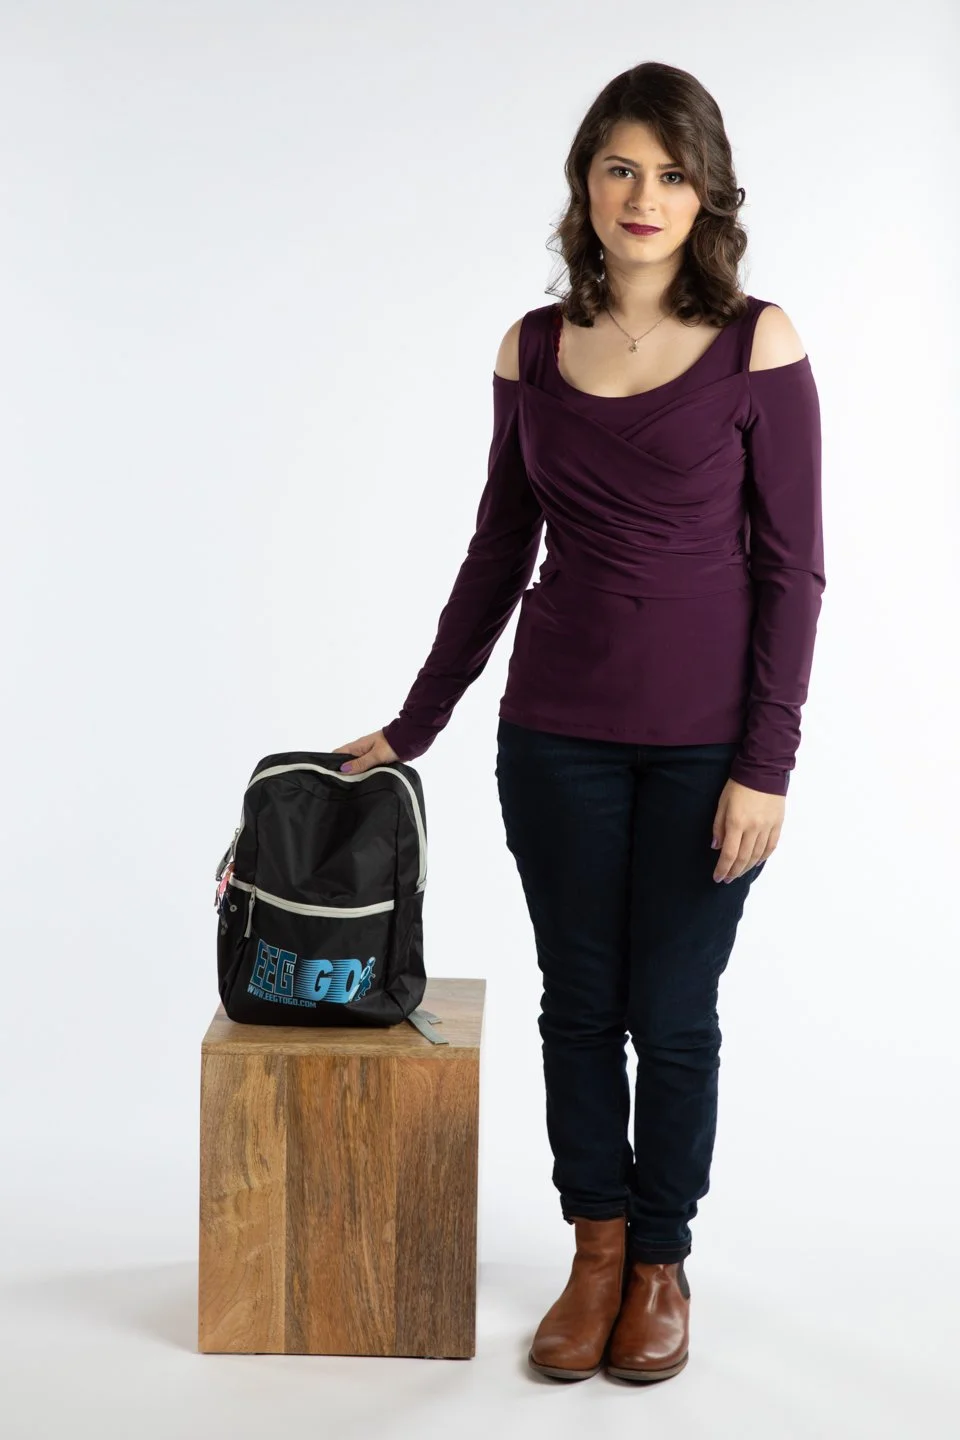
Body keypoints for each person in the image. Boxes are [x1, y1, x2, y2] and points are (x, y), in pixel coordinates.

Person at [333, 60, 825, 1386]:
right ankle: (592, 1250)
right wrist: (416, 721)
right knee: (576, 1007)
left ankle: (660, 1261)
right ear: (585, 187)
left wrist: (765, 764)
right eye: (620, 167)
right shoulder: (531, 349)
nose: (644, 194)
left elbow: (795, 569)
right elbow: (498, 552)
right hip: (554, 734)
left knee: (671, 1013)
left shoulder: (758, 343)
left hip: (710, 748)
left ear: (710, 190)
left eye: (671, 171)